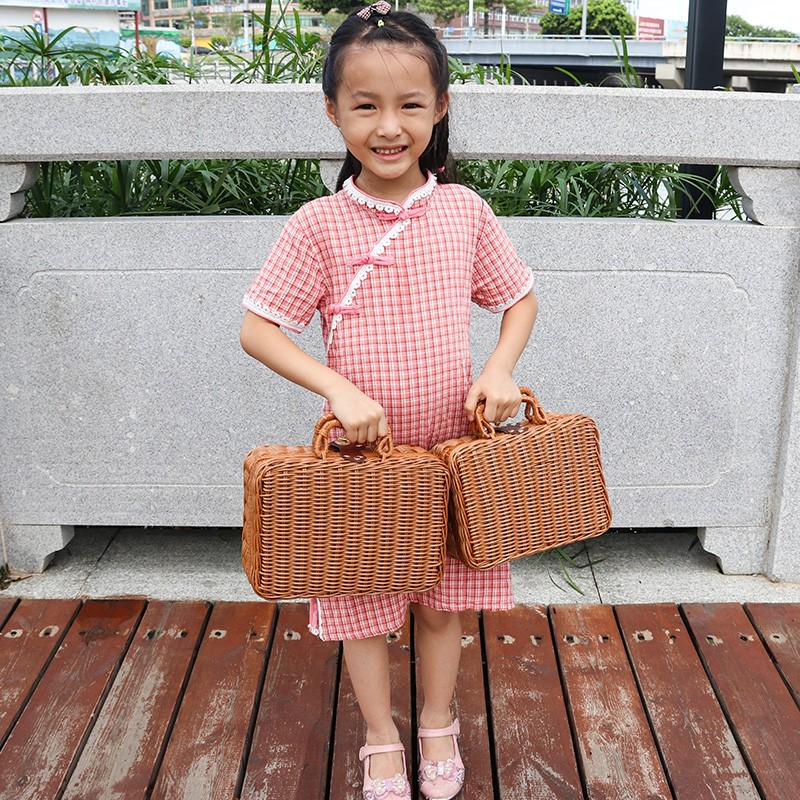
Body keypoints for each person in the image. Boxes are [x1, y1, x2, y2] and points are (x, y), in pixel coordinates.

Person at [239, 2, 538, 797]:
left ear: (440, 108)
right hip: (362, 458)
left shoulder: (464, 212)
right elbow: (259, 327)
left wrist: (501, 369)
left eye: (410, 105)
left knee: (443, 602)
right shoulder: (319, 225)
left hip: (449, 450)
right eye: (364, 105)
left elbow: (519, 298)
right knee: (363, 602)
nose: (388, 126)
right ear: (332, 110)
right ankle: (381, 735)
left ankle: (437, 720)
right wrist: (337, 386)